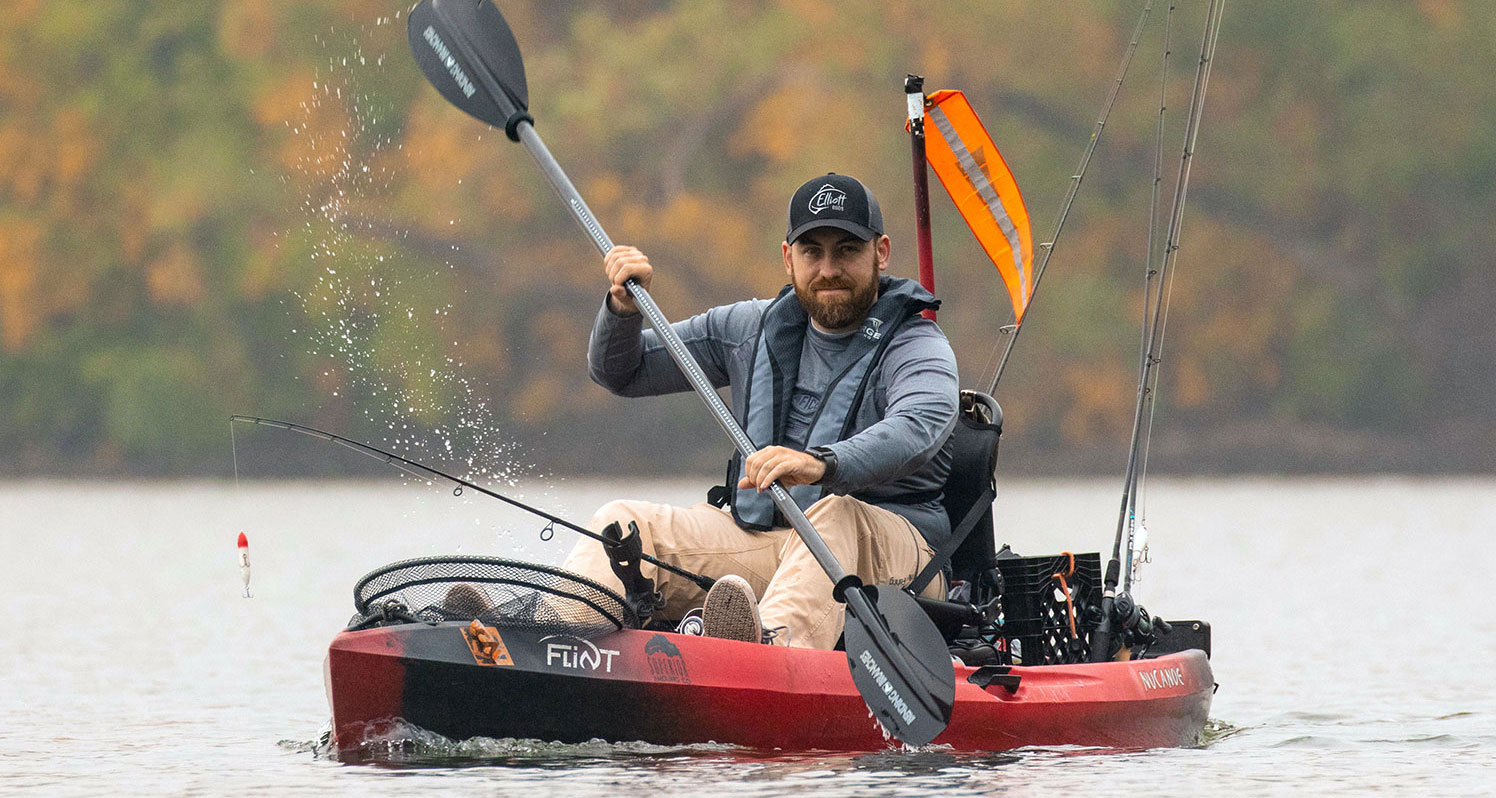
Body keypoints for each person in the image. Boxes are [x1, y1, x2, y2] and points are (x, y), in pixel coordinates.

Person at [562, 173, 960, 649]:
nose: (829, 268)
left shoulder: (916, 344)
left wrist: (821, 463)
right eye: (812, 251)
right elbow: (622, 371)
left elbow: (920, 423)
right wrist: (622, 309)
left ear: (881, 252)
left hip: (902, 559)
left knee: (836, 514)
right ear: (788, 257)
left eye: (847, 250)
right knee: (624, 520)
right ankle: (548, 628)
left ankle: (768, 651)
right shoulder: (747, 327)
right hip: (779, 547)